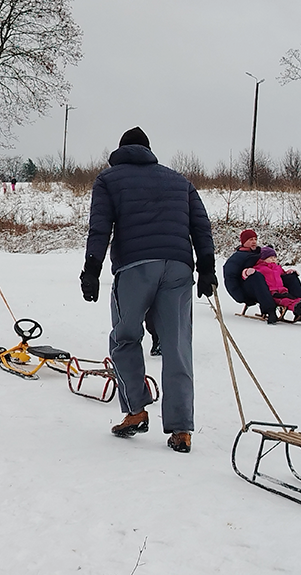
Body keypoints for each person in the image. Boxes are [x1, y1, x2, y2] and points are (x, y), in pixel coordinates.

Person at [80, 126, 216, 454]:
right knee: (177, 346)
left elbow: (100, 227)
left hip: (135, 267)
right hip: (179, 268)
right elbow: (201, 225)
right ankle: (181, 429)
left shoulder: (108, 179)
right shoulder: (179, 180)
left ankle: (136, 410)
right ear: (149, 151)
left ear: (120, 151)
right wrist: (207, 268)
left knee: (125, 337)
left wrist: (92, 269)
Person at [223, 229, 301, 323]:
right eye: (250, 240)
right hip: (248, 288)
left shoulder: (260, 253)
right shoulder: (237, 257)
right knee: (256, 276)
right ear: (243, 242)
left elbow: (272, 270)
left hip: (269, 285)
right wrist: (240, 297)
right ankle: (270, 310)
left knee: (291, 277)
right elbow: (230, 278)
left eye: (255, 239)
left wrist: (286, 273)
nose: (254, 242)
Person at [251, 246, 301, 322]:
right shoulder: (260, 268)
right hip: (271, 292)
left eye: (275, 257)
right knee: (284, 301)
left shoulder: (277, 268)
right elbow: (254, 276)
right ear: (263, 259)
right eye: (270, 258)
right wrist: (247, 272)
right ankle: (297, 307)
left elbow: (283, 274)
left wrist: (289, 272)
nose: (273, 259)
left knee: (292, 298)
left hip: (282, 290)